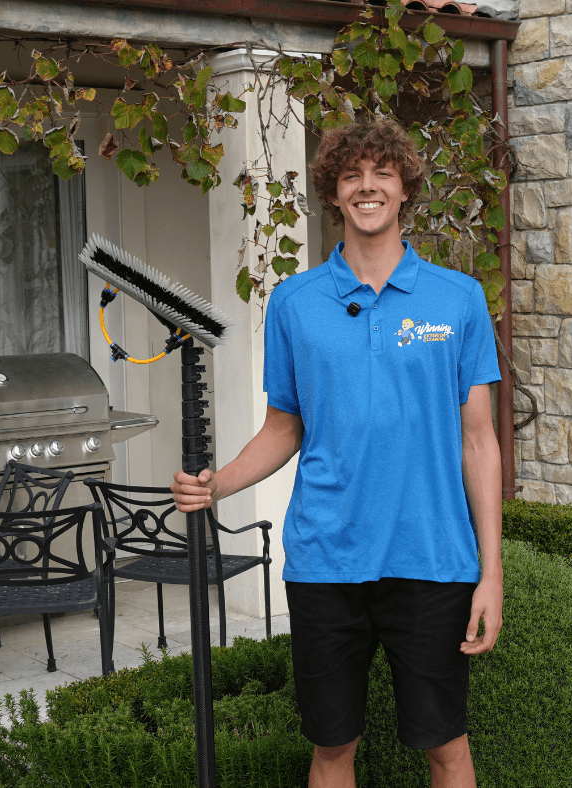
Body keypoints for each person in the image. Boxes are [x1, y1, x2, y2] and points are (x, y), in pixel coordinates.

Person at [171, 118, 503, 788]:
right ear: (334, 193)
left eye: (383, 173)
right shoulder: (295, 302)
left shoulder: (458, 298)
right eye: (352, 175)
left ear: (405, 187)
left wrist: (490, 573)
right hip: (327, 560)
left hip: (433, 560)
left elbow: (479, 440)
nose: (368, 186)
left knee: (447, 748)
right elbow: (282, 428)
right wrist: (217, 485)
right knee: (331, 749)